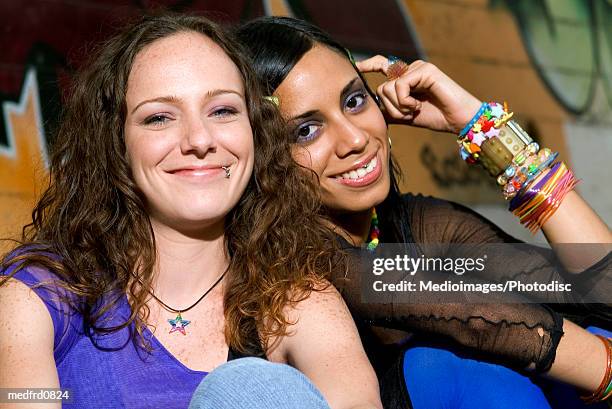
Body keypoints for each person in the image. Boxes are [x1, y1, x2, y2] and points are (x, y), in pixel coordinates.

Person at [0, 14, 382, 409]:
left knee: (249, 389)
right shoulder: (39, 297)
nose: (199, 140)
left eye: (222, 111)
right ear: (116, 143)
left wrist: (456, 128)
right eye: (159, 117)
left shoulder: (295, 300)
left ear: (256, 131)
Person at [236, 16, 612, 409]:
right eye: (306, 130)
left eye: (354, 101)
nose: (355, 138)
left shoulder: (414, 223)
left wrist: (476, 123)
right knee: (444, 366)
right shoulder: (301, 268)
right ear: (264, 159)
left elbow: (600, 290)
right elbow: (481, 320)